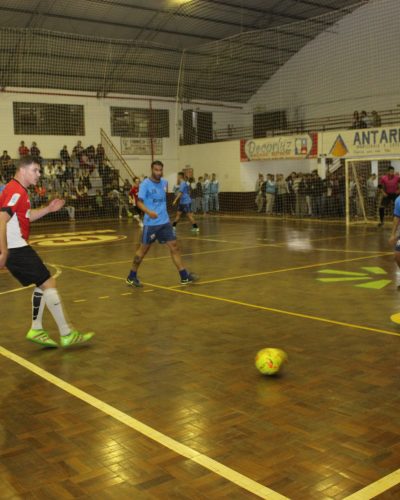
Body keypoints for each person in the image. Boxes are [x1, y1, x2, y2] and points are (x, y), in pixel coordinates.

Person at [0, 156, 93, 347]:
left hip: (16, 246)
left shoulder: (19, 191)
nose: (39, 174)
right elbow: (1, 220)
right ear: (23, 170)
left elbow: (26, 216)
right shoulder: (15, 190)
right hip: (15, 248)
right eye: (35, 170)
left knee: (43, 282)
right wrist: (3, 251)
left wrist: (48, 209)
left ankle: (37, 329)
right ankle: (66, 333)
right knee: (48, 282)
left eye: (39, 171)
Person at [126, 160, 197, 287]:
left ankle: (184, 276)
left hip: (165, 223)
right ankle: (131, 277)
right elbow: (139, 203)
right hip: (151, 224)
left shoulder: (164, 182)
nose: (158, 172)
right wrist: (149, 212)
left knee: (174, 247)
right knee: (142, 252)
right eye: (156, 170)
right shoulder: (145, 184)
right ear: (151, 170)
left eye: (160, 170)